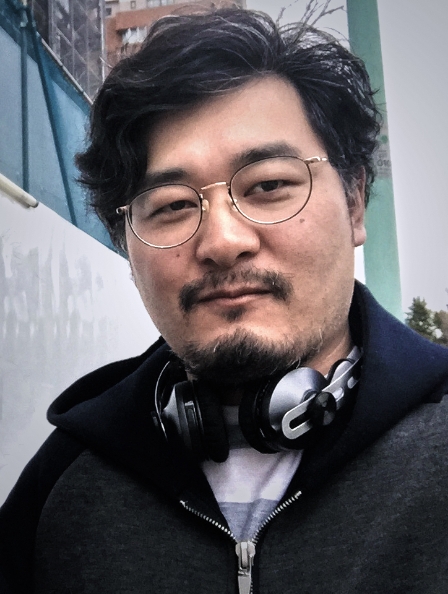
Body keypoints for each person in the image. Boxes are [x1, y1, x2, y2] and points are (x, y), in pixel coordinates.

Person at [1, 7, 448, 594]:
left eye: (268, 185)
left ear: (355, 202)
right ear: (128, 249)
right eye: (171, 206)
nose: (221, 241)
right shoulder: (58, 491)